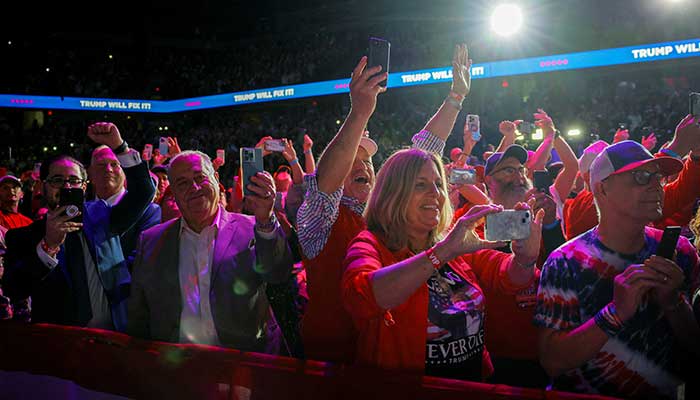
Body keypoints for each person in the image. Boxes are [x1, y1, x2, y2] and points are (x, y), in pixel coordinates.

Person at [297, 44, 474, 363]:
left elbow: (422, 153)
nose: (363, 166)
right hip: (336, 360)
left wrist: (455, 98)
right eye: (353, 159)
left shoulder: (389, 213)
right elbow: (326, 186)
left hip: (391, 353)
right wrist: (360, 112)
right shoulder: (321, 219)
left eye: (367, 160)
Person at [341, 148, 543, 380]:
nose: (435, 194)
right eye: (420, 185)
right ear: (392, 193)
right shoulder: (370, 244)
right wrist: (441, 253)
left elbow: (507, 276)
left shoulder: (450, 242)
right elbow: (361, 297)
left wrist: (525, 260)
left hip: (473, 384)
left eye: (438, 184)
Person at [535, 140, 700, 399]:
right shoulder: (566, 262)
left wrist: (673, 303)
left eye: (659, 176)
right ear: (603, 189)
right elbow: (553, 362)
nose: (656, 185)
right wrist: (615, 313)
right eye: (641, 176)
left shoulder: (681, 252)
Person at [127, 151, 293, 352]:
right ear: (173, 192)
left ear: (215, 178)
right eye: (182, 183)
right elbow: (139, 314)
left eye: (200, 178)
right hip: (175, 368)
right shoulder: (151, 240)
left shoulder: (254, 228)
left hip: (241, 364)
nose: (194, 188)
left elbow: (277, 274)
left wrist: (266, 219)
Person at [2, 122, 155, 332]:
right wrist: (48, 247)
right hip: (61, 349)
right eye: (57, 180)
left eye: (74, 181)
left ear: (84, 186)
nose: (66, 187)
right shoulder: (22, 236)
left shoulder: (104, 217)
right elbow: (14, 288)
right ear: (43, 186)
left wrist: (119, 147)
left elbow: (144, 192)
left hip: (116, 338)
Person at [88, 145, 161, 271]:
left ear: (124, 172)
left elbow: (142, 258)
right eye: (101, 165)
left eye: (115, 164)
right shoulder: (82, 210)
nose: (108, 169)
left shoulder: (148, 211)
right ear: (90, 173)